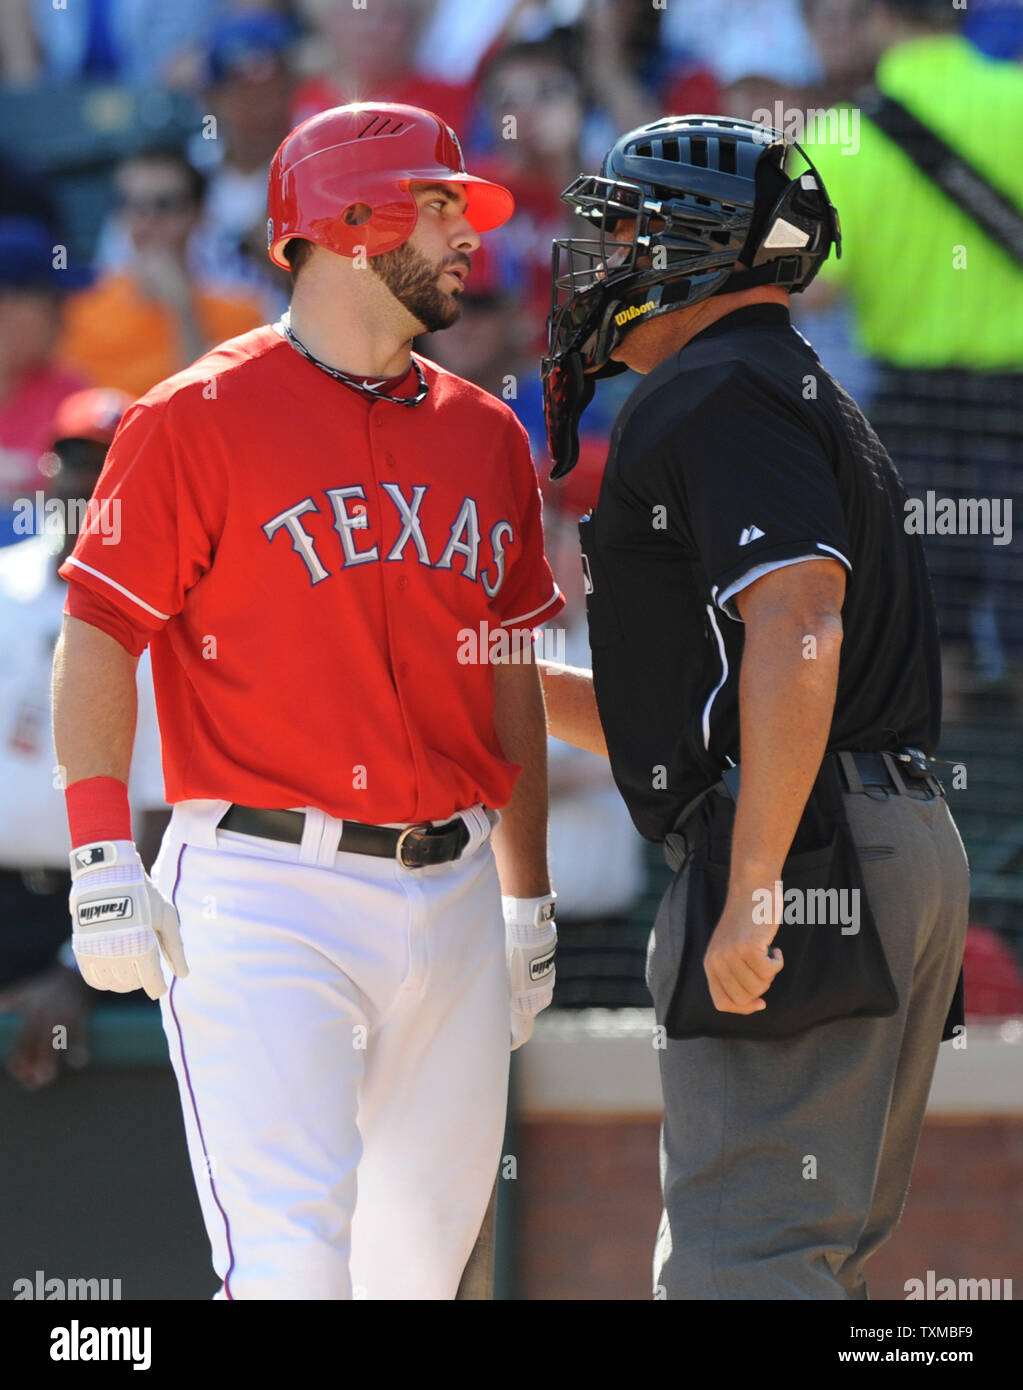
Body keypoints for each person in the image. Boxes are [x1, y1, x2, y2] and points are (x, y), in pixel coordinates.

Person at [51, 102, 563, 1301]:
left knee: (414, 1282)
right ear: (347, 222)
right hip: (264, 891)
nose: (464, 238)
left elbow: (510, 680)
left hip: (450, 893)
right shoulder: (192, 416)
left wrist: (525, 898)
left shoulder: (488, 436)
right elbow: (100, 634)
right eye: (438, 207)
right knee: (289, 1270)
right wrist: (96, 851)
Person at [538, 114, 968, 1299]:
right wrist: (505, 693)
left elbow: (798, 627)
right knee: (802, 1260)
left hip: (811, 838)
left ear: (696, 245)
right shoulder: (781, 380)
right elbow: (712, 707)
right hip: (874, 827)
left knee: (749, 1261)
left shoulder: (718, 387)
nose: (601, 255)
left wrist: (761, 880)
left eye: (625, 227)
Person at [800, 0, 1023, 705]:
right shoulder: (1014, 100)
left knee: (932, 631)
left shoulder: (838, 138)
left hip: (914, 413)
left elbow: (812, 291)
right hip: (1014, 402)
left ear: (877, 19)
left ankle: (949, 801)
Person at [0, 387, 165, 1089]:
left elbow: (161, 815)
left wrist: (78, 971)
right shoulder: (4, 584)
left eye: (105, 467)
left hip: (98, 899)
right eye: (73, 462)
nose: (84, 484)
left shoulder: (167, 616)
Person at [57, 147, 264, 400]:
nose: (146, 219)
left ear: (199, 215)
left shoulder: (242, 316)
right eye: (132, 204)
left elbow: (204, 410)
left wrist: (183, 310)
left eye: (164, 205)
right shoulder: (82, 307)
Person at [0, 218, 88, 544]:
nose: (64, 323)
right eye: (53, 307)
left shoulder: (70, 392)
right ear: (5, 304)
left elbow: (89, 498)